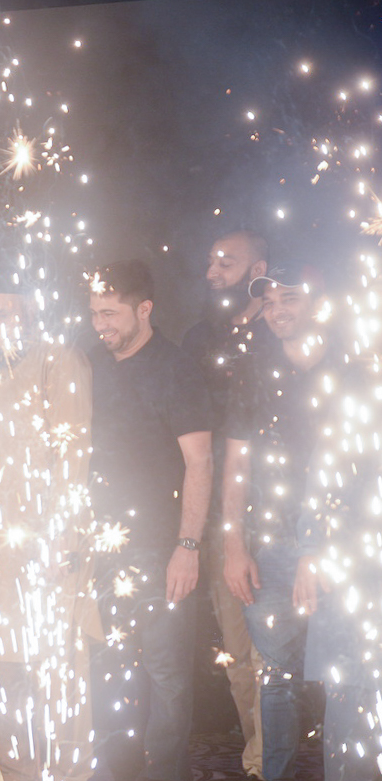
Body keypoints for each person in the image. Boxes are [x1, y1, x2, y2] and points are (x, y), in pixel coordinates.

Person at [87, 259, 212, 781]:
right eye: (95, 313)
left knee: (167, 676)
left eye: (111, 314)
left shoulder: (176, 369)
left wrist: (187, 546)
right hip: (99, 546)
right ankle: (114, 772)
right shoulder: (91, 365)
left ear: (144, 309)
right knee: (107, 669)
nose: (101, 325)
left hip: (161, 547)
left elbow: (200, 461)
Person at [0, 282, 98, 781]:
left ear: (31, 311)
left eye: (5, 313)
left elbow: (73, 452)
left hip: (48, 539)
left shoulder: (61, 360)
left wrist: (63, 533)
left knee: (59, 664)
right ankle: (14, 770)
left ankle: (70, 773)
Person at [222, 264, 333, 781]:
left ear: (318, 300)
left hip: (343, 545)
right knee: (277, 679)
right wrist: (234, 546)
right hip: (271, 545)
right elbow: (237, 462)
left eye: (289, 297)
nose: (277, 310)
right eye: (269, 302)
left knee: (347, 674)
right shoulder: (255, 371)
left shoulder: (352, 366)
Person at [180, 231, 269, 779]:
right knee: (240, 655)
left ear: (257, 270)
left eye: (226, 264)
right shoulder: (199, 339)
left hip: (284, 517)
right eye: (210, 262)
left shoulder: (280, 332)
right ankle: (260, 762)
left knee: (283, 658)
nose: (212, 273)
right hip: (218, 518)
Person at [294, 348, 382, 781]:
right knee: (349, 704)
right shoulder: (352, 386)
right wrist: (309, 550)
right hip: (349, 573)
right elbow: (323, 472)